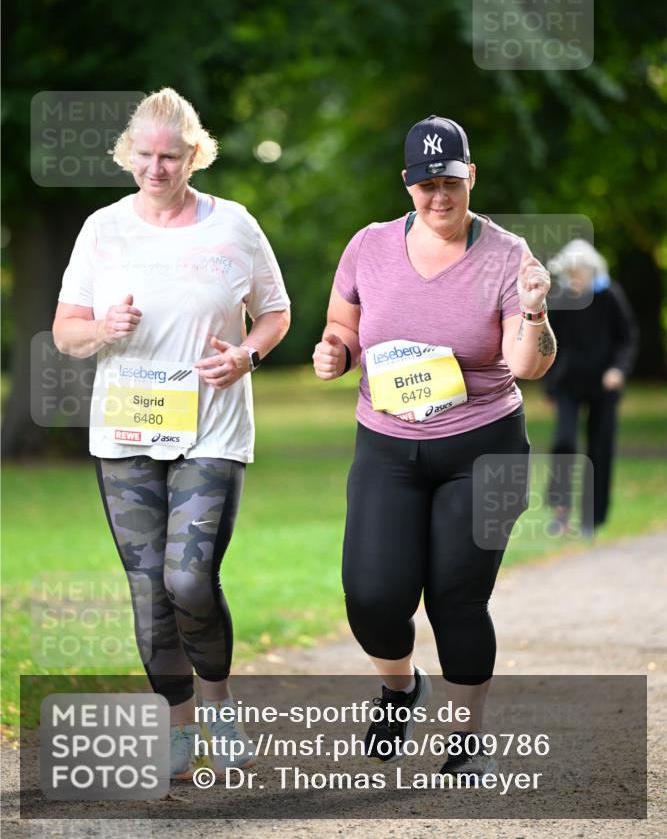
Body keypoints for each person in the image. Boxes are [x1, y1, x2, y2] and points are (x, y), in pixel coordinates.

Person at [52, 88, 290, 781]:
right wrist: (103, 329)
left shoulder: (235, 225)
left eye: (171, 156)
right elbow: (67, 332)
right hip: (126, 431)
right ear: (129, 155)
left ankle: (217, 707)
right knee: (149, 591)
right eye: (145, 155)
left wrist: (247, 354)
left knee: (188, 576)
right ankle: (179, 729)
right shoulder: (103, 229)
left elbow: (274, 312)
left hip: (211, 428)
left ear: (195, 155)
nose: (156, 168)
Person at [312, 115, 556, 780]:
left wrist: (534, 312)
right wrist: (336, 350)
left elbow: (525, 365)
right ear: (407, 185)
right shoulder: (368, 245)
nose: (438, 197)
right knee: (370, 596)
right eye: (425, 185)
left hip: (484, 446)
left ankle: (466, 737)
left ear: (470, 176)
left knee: (455, 597)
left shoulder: (507, 255)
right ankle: (399, 687)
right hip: (388, 444)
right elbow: (343, 323)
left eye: (450, 181)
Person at [543, 239, 638, 535]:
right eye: (569, 272)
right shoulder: (561, 299)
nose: (574, 277)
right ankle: (560, 511)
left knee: (600, 448)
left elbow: (627, 338)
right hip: (569, 384)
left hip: (604, 386)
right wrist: (550, 384)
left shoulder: (610, 295)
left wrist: (618, 370)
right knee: (564, 442)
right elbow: (547, 342)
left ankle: (592, 518)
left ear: (591, 270)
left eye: (578, 272)